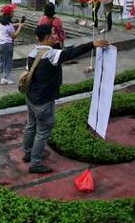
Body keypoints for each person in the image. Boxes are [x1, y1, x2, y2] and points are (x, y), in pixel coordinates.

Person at [22, 24, 109, 173]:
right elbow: (71, 53)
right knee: (43, 131)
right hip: (44, 100)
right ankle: (35, 163)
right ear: (48, 38)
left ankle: (28, 153)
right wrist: (92, 44)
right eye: (53, 34)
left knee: (31, 125)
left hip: (30, 97)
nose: (56, 36)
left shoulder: (32, 53)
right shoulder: (52, 55)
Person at [0, 7, 25, 85]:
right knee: (8, 62)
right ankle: (5, 78)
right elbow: (14, 36)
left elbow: (9, 26)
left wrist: (17, 24)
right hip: (7, 45)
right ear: (9, 14)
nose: (14, 13)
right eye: (12, 12)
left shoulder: (1, 21)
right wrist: (20, 27)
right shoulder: (9, 26)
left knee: (2, 60)